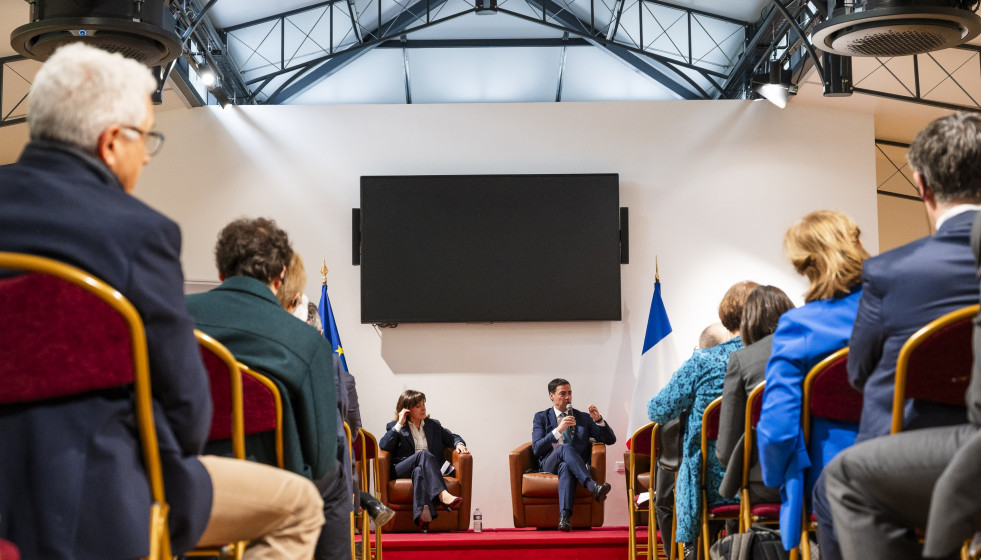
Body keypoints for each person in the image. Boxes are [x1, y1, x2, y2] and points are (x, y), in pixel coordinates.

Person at [0, 44, 323, 559]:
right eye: (145, 138)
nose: (146, 155)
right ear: (110, 142)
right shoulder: (136, 232)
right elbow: (187, 406)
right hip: (101, 498)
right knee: (301, 505)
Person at [821, 113, 981, 560]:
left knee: (837, 488)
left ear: (921, 184)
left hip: (921, 446)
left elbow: (859, 371)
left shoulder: (891, 271)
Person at [185, 218, 346, 558]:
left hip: (170, 481)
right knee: (334, 480)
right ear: (280, 277)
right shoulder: (306, 342)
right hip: (265, 491)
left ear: (220, 273)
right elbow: (318, 459)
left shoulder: (167, 320)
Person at [756, 210, 868, 553]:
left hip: (829, 478)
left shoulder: (799, 327)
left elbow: (778, 429)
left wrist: (774, 476)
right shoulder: (899, 314)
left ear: (806, 266)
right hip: (915, 472)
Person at [278, 254, 395, 537]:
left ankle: (364, 500)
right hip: (320, 474)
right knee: (338, 448)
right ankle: (363, 503)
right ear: (319, 331)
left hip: (267, 465)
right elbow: (352, 427)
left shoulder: (272, 355)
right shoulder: (337, 371)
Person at [647, 280, 757, 554]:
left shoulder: (703, 361)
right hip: (760, 475)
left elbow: (658, 410)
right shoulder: (772, 358)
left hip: (709, 480)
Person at [717, 285, 795, 503]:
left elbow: (725, 451)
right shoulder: (814, 352)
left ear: (748, 321)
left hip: (766, 480)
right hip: (816, 474)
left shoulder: (743, 359)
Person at [531, 378, 616, 531]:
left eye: (569, 393)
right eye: (562, 394)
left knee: (566, 466)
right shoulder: (541, 417)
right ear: (552, 396)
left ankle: (564, 518)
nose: (568, 397)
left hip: (572, 465)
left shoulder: (582, 418)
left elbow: (610, 440)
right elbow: (537, 448)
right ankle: (592, 486)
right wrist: (558, 430)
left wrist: (599, 420)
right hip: (549, 463)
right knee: (564, 448)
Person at [378, 390, 468, 531]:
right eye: (418, 405)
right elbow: (383, 445)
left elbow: (452, 436)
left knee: (419, 471)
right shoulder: (395, 427)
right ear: (407, 409)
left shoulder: (433, 425)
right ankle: (442, 495)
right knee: (423, 455)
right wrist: (399, 424)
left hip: (424, 470)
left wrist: (459, 444)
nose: (423, 408)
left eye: (423, 404)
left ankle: (422, 516)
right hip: (402, 469)